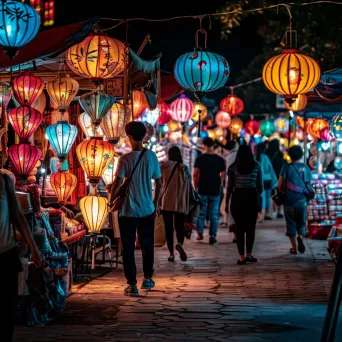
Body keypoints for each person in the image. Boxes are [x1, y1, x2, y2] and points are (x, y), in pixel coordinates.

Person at [109, 121, 162, 297]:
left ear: (129, 137)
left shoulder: (124, 159)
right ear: (144, 136)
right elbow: (159, 183)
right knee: (148, 244)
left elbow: (117, 183)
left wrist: (111, 199)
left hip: (128, 211)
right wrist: (155, 202)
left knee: (128, 247)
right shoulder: (151, 157)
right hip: (147, 208)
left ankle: (132, 285)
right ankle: (147, 278)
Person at [0, 172, 44, 342]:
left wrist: (34, 249)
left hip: (5, 255)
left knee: (7, 311)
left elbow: (18, 217)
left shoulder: (4, 181)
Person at [226, 145, 263, 265]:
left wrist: (227, 202)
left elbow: (230, 187)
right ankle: (249, 255)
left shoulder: (233, 167)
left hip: (237, 198)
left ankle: (241, 257)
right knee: (251, 228)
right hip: (252, 198)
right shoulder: (257, 166)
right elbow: (260, 187)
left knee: (240, 228)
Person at [278, 145, 313, 255]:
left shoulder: (286, 168)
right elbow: (309, 184)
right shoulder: (305, 168)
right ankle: (300, 237)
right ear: (301, 155)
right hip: (301, 200)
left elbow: (280, 185)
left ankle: (293, 248)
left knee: (290, 223)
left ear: (290, 155)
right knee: (301, 223)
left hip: (288, 200)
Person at [160, 146, 192, 262]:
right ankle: (179, 244)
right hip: (179, 201)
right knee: (179, 226)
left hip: (166, 201)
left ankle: (171, 254)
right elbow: (189, 185)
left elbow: (159, 184)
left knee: (168, 228)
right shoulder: (183, 168)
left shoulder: (163, 166)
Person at [193, 137, 226, 245]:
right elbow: (222, 175)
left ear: (204, 146)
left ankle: (200, 234)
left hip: (202, 188)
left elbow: (195, 173)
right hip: (215, 189)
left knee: (201, 212)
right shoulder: (220, 159)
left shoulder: (200, 158)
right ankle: (212, 236)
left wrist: (195, 186)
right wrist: (219, 184)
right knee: (214, 214)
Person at [255, 142, 278, 222]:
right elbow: (270, 169)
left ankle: (261, 214)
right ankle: (266, 213)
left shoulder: (255, 158)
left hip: (258, 180)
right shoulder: (265, 157)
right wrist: (275, 182)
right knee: (267, 197)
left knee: (261, 197)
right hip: (267, 180)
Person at [223, 140, 239, 242]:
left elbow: (227, 175)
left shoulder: (228, 158)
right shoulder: (245, 157)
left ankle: (235, 236)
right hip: (245, 188)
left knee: (232, 212)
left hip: (231, 187)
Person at [266, 139, 286, 218]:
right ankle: (279, 212)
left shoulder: (267, 153)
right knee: (279, 193)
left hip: (269, 176)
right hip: (278, 175)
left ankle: (268, 213)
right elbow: (281, 164)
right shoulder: (280, 153)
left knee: (269, 194)